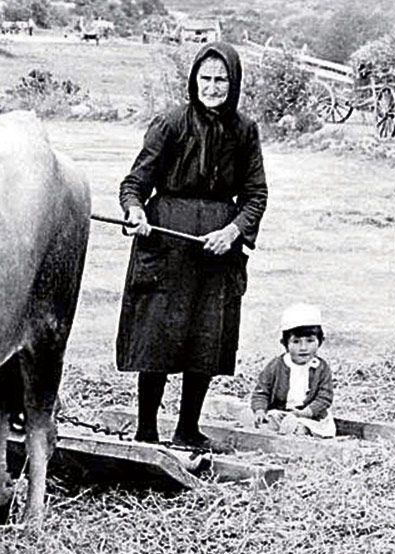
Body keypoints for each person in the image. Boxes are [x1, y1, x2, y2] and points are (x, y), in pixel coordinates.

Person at [117, 42, 268, 450]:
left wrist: (232, 232)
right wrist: (136, 213)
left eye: (222, 80)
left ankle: (187, 429)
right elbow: (134, 185)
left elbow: (256, 195)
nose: (213, 87)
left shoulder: (244, 130)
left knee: (204, 337)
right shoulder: (169, 124)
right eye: (206, 78)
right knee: (159, 337)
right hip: (167, 245)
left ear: (233, 84)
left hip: (217, 253)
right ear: (193, 80)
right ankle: (146, 430)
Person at [243, 304, 336, 437]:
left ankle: (297, 429)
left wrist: (307, 412)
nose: (303, 348)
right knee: (272, 417)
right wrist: (259, 410)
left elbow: (324, 397)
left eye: (310, 341)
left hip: (310, 417)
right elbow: (262, 392)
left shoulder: (321, 368)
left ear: (320, 341)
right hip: (281, 412)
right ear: (285, 343)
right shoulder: (276, 365)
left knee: (307, 427)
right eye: (296, 342)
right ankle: (268, 425)